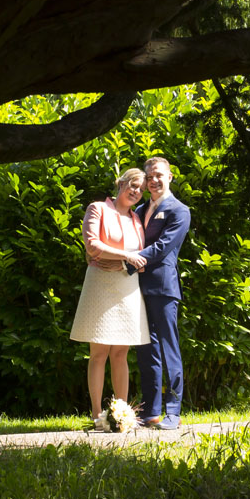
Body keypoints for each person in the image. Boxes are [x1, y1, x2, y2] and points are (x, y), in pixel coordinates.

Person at [68, 168, 149, 428]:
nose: (136, 191)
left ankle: (120, 415)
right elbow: (92, 245)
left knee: (121, 352)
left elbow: (140, 252)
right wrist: (126, 255)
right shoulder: (98, 209)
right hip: (100, 283)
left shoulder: (137, 219)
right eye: (133, 185)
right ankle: (95, 414)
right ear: (122, 183)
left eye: (141, 189)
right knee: (99, 352)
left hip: (127, 285)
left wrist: (138, 262)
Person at [131, 157, 192, 430]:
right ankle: (151, 411)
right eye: (149, 176)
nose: (153, 180)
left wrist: (128, 260)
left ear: (170, 177)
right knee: (146, 350)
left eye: (158, 175)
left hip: (164, 289)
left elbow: (163, 248)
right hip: (136, 288)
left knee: (169, 349)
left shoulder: (179, 211)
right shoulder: (140, 209)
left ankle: (174, 413)